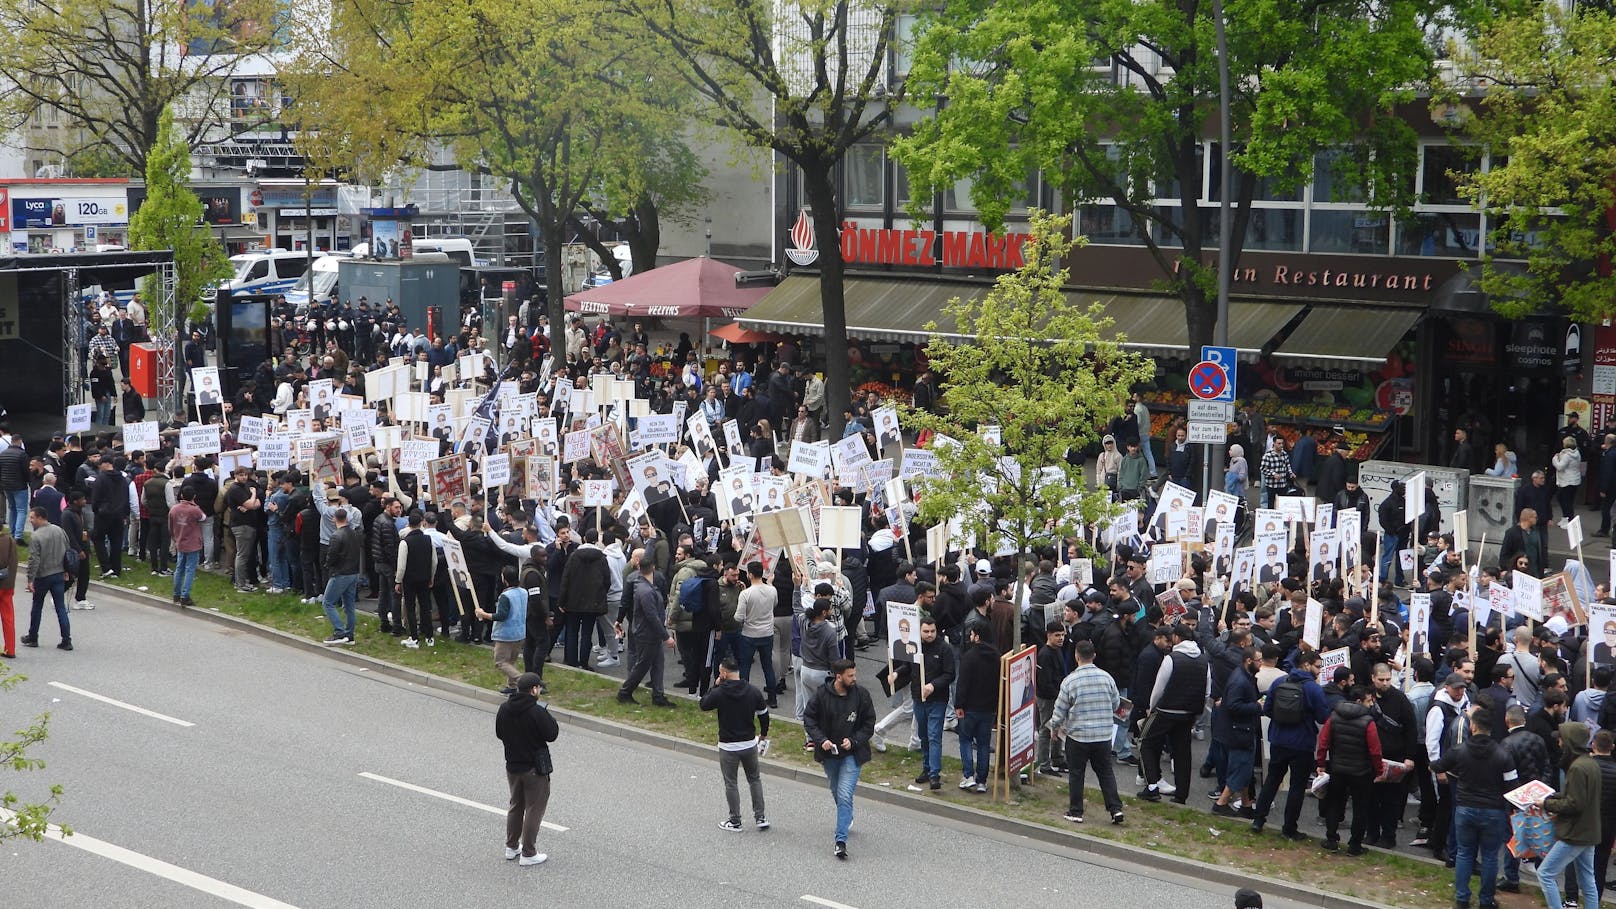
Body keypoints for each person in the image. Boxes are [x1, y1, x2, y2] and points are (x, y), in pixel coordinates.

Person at [1251, 649, 1331, 838]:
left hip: (1278, 739)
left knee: (1272, 780)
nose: (1320, 671)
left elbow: (1268, 710)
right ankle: (1289, 828)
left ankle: (1258, 819)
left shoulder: (1279, 682)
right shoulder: (1313, 689)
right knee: (1297, 787)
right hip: (1302, 743)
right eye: (1318, 667)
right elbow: (1323, 717)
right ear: (1306, 665)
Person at [801, 658, 875, 859]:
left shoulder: (861, 695)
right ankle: (847, 815)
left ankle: (840, 841)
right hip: (830, 755)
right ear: (838, 676)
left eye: (855, 675)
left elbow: (869, 723)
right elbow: (809, 719)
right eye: (850, 676)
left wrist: (854, 741)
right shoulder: (822, 695)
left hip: (852, 755)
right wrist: (821, 740)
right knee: (836, 790)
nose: (854, 679)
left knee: (843, 794)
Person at [1049, 639, 1125, 825]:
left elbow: (1060, 709)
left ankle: (1076, 811)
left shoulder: (1070, 681)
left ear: (1076, 656)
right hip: (1103, 736)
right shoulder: (1107, 678)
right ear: (1094, 656)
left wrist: (1054, 727)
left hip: (1078, 736)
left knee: (1076, 773)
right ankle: (1115, 809)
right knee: (1105, 772)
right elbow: (1116, 704)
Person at [1535, 721, 1602, 909]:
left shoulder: (1577, 768)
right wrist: (1553, 796)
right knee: (1588, 879)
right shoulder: (1590, 763)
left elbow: (1574, 804)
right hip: (1589, 831)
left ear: (1569, 741)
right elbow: (1579, 797)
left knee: (1545, 873)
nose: (1559, 743)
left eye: (1562, 739)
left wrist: (1546, 803)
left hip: (1575, 833)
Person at [495, 672, 559, 867]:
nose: (540, 691)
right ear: (533, 690)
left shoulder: (505, 708)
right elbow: (552, 734)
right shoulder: (537, 711)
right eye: (539, 688)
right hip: (533, 768)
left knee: (516, 804)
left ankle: (511, 845)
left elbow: (499, 733)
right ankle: (529, 852)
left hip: (512, 765)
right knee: (534, 808)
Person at [1138, 623, 1206, 804]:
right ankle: (1181, 794)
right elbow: (1207, 690)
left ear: (1176, 638)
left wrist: (1152, 707)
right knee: (1182, 752)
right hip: (1189, 712)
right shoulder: (1204, 660)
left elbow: (1159, 688)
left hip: (1166, 710)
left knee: (1145, 742)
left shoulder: (1172, 658)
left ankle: (1152, 786)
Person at [701, 657, 771, 832]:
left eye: (720, 671)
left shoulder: (720, 692)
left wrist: (715, 685)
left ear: (724, 673)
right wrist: (763, 734)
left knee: (731, 783)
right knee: (754, 779)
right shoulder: (753, 691)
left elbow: (704, 704)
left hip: (728, 746)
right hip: (749, 744)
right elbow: (764, 714)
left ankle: (735, 821)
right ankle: (760, 817)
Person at [1314, 685, 1385, 855]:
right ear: (1359, 701)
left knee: (1334, 803)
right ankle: (1355, 844)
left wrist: (1321, 763)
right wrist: (1379, 770)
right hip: (1361, 772)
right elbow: (1375, 750)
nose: (1371, 704)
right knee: (1360, 808)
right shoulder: (1368, 722)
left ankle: (1331, 839)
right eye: (1369, 701)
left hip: (1338, 768)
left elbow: (1323, 742)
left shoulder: (1334, 716)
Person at [617, 558, 676, 707]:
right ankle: (625, 692)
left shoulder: (643, 586)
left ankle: (658, 695)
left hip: (648, 633)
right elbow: (652, 616)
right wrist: (666, 636)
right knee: (643, 665)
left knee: (657, 663)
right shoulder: (646, 590)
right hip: (647, 634)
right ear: (653, 568)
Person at [955, 624, 999, 793]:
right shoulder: (996, 655)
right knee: (983, 744)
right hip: (988, 708)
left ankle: (968, 776)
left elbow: (963, 683)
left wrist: (959, 704)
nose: (970, 637)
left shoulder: (969, 656)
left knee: (965, 740)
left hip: (970, 707)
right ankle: (982, 780)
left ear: (978, 636)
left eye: (972, 634)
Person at [22, 507, 71, 651]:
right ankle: (66, 639)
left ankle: (33, 637)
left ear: (40, 517)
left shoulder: (36, 536)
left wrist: (30, 579)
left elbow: (34, 560)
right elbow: (67, 551)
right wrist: (67, 571)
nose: (30, 520)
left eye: (32, 517)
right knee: (60, 607)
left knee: (37, 606)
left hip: (43, 576)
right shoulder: (59, 530)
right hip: (59, 574)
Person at [477, 566, 529, 694]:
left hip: (506, 634)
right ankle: (512, 686)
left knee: (500, 662)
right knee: (511, 661)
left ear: (504, 579)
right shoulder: (523, 592)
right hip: (520, 632)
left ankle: (522, 681)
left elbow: (501, 616)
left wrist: (483, 614)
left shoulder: (505, 596)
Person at [320, 506, 363, 645]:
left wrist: (328, 566)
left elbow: (331, 556)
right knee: (349, 606)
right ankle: (349, 635)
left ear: (334, 519)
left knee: (328, 602)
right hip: (353, 573)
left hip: (340, 573)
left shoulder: (336, 536)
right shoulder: (355, 534)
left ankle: (339, 632)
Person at [168, 486, 205, 608]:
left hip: (180, 541)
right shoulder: (194, 510)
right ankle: (185, 596)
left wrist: (175, 537)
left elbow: (170, 526)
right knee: (190, 570)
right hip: (193, 543)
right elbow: (203, 517)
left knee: (179, 569)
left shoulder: (174, 509)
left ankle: (176, 594)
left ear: (182, 496)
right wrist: (195, 505)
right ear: (194, 497)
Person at [1552, 436, 1585, 524]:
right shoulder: (1577, 453)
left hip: (1567, 481)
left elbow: (1560, 467)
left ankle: (1568, 520)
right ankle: (1566, 518)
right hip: (1575, 480)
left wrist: (1555, 459)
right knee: (1568, 501)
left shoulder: (1567, 455)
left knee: (1564, 500)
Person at [0, 526, 16, 659]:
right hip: (7, 584)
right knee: (8, 618)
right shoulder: (10, 541)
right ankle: (10, 649)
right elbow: (14, 563)